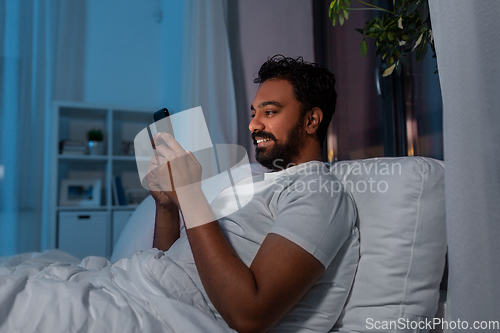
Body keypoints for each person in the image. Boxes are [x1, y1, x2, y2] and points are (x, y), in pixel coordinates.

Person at [146, 55, 358, 333]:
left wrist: (189, 194)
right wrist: (167, 206)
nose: (253, 125)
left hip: (158, 313)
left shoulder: (319, 192)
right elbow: (167, 265)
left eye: (269, 112)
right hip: (137, 290)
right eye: (253, 113)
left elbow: (250, 316)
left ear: (311, 120)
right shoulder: (250, 185)